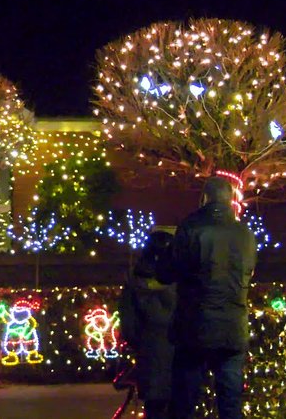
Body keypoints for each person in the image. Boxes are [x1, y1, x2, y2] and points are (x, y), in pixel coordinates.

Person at [168, 177, 257, 419]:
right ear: (231, 200)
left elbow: (172, 270)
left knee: (184, 398)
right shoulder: (245, 233)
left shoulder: (191, 227)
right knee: (230, 401)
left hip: (195, 324)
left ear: (205, 198)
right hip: (233, 324)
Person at [119, 231, 177, 419]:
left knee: (154, 407)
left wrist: (140, 342)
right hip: (179, 353)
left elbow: (129, 324)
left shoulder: (135, 280)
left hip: (150, 350)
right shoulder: (183, 280)